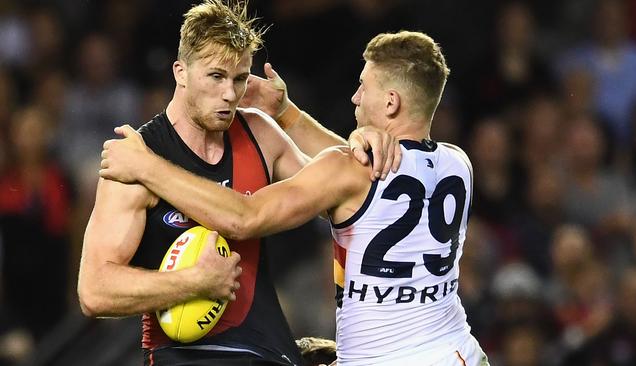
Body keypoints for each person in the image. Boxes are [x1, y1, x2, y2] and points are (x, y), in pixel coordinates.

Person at [100, 30, 489, 365]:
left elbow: (245, 217)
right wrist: (285, 112)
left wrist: (146, 167)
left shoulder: (345, 170)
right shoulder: (459, 164)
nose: (354, 98)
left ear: (390, 102)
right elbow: (375, 184)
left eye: (363, 87)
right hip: (460, 351)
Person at [77, 1, 400, 365]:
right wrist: (191, 283)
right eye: (216, 76)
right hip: (187, 358)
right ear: (180, 72)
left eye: (240, 78)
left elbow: (347, 198)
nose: (230, 94)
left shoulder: (259, 133)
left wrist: (352, 142)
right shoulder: (134, 159)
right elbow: (94, 291)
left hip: (269, 352)